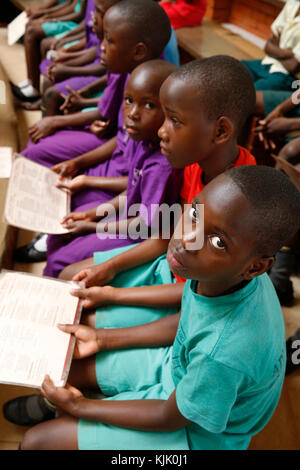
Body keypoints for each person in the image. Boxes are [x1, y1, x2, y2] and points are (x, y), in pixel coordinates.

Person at [10, 165, 300, 450]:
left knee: (38, 442)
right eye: (195, 213)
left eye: (217, 241)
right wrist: (101, 339)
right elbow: (190, 321)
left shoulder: (224, 353)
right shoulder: (222, 273)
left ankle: (67, 412)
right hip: (179, 368)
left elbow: (170, 416)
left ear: (256, 267)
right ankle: (62, 408)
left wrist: (80, 406)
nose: (188, 239)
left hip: (194, 434)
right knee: (63, 365)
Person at [58, 55, 256, 329]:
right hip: (170, 268)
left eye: (174, 120)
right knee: (72, 277)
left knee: (83, 318)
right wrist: (110, 267)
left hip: (189, 300)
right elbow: (165, 237)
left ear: (220, 130)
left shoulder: (240, 202)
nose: (162, 131)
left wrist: (116, 294)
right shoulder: (194, 166)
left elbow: (194, 294)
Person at [14, 0, 173, 263]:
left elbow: (146, 218)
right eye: (129, 102)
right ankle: (47, 234)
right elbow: (115, 129)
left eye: (109, 40)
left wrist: (92, 216)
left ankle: (52, 245)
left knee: (63, 245)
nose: (101, 43)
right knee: (61, 192)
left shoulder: (151, 91)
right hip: (118, 179)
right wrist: (80, 166)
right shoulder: (136, 84)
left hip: (125, 200)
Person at [42, 60, 183, 278]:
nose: (132, 113)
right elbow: (132, 191)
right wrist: (92, 214)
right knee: (61, 231)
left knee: (61, 263)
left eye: (149, 105)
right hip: (128, 219)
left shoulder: (162, 165)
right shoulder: (143, 140)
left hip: (139, 237)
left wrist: (94, 227)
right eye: (128, 101)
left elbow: (145, 225)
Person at [10, 0, 87, 99]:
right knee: (32, 29)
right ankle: (32, 81)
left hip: (75, 25)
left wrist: (50, 18)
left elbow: (79, 15)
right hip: (72, 22)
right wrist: (46, 15)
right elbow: (71, 6)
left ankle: (35, 87)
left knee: (38, 37)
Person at [242, 0, 300, 92]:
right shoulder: (293, 3)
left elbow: (293, 66)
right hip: (268, 63)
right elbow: (268, 47)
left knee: (252, 94)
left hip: (287, 77)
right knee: (236, 70)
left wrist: (276, 50)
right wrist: (287, 53)